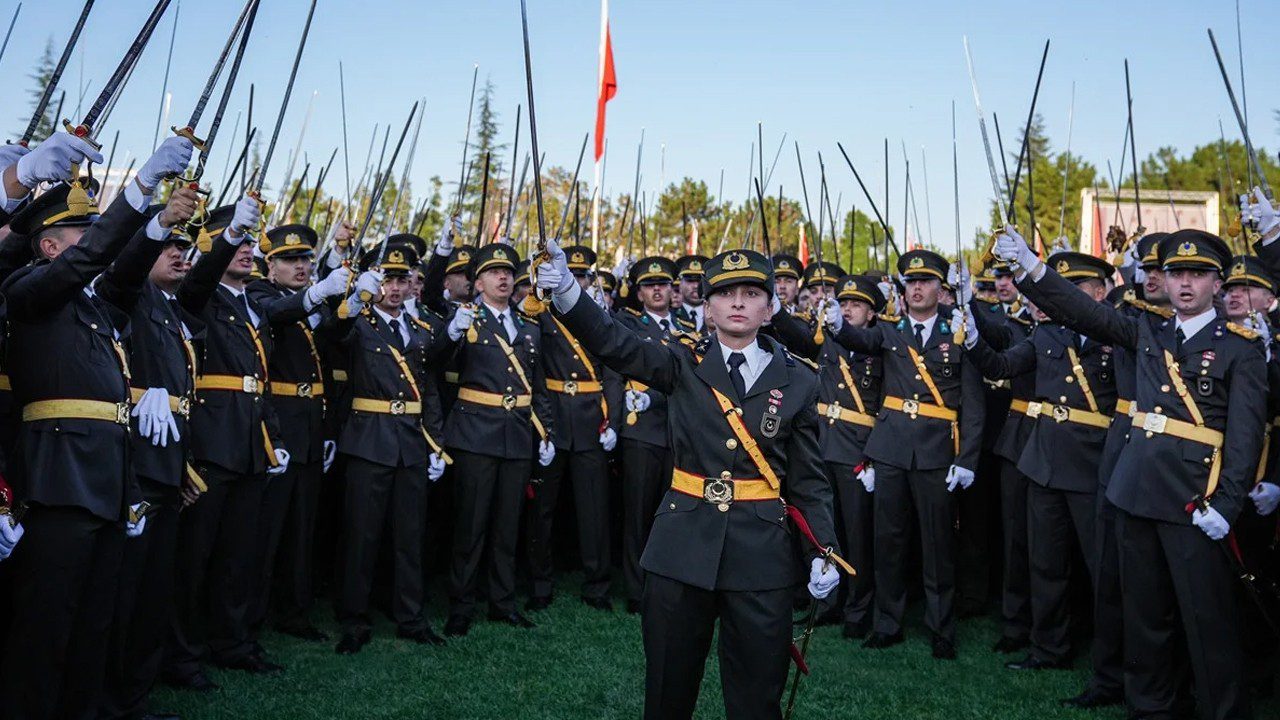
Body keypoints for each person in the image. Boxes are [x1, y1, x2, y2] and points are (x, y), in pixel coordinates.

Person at [536, 241, 843, 720]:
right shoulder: (681, 362)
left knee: (758, 697)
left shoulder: (799, 380)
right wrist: (570, 294)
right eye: (725, 294)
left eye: (751, 293)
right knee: (667, 691)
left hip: (761, 554)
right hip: (682, 547)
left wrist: (824, 549)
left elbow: (809, 480)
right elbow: (615, 343)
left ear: (769, 308)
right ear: (707, 308)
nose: (738, 302)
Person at [996, 226, 1265, 720]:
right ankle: (1150, 709)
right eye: (1176, 273)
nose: (1185, 284)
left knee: (1208, 621)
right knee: (1144, 617)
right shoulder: (1146, 329)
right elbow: (1083, 312)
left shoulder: (1240, 347)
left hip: (1194, 500)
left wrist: (1228, 504)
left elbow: (1245, 437)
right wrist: (1032, 268)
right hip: (1135, 491)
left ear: (1217, 284)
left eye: (1198, 275)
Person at [0, 133, 193, 718]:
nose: (96, 245)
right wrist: (135, 192)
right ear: (51, 246)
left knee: (93, 619)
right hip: (58, 479)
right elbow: (96, 257)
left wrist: (154, 219)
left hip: (107, 480)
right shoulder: (28, 289)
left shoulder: (93, 305)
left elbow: (125, 271)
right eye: (83, 236)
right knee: (47, 623)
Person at [963, 251, 1118, 672]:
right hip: (1044, 462)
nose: (1064, 299)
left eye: (1076, 290)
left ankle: (1111, 662)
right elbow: (1002, 365)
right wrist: (973, 339)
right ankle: (1048, 647)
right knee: (1044, 562)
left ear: (1100, 293)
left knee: (1103, 568)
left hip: (1094, 464)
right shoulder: (1047, 336)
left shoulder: (1116, 337)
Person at [827, 248, 985, 659]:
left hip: (936, 453)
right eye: (910, 282)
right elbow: (859, 337)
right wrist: (836, 325)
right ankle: (887, 623)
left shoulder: (958, 333)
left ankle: (941, 629)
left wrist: (967, 459)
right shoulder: (891, 332)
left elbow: (972, 404)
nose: (917, 288)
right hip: (891, 450)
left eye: (926, 281)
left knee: (937, 547)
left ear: (940, 288)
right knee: (888, 543)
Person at [166, 193, 290, 687]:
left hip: (249, 442)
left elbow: (261, 380)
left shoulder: (253, 303)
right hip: (212, 444)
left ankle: (232, 642)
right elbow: (197, 280)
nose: (243, 251)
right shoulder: (196, 294)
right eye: (228, 241)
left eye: (245, 242)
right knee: (196, 559)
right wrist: (228, 234)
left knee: (240, 555)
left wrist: (272, 437)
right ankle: (183, 654)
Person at [96, 186, 206, 720]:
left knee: (153, 590)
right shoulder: (127, 296)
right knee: (125, 592)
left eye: (186, 248)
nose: (180, 255)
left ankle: (137, 694)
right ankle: (114, 697)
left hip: (165, 464)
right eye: (169, 248)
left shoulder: (168, 307)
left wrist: (181, 465)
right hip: (134, 466)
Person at [333, 245, 449, 654]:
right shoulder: (358, 324)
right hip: (369, 439)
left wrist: (435, 442)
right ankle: (353, 620)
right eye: (387, 279)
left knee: (409, 536)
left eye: (402, 279)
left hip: (411, 444)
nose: (395, 288)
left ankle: (411, 618)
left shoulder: (419, 331)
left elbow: (429, 390)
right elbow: (330, 336)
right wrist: (350, 299)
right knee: (362, 536)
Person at [440, 242, 554, 636]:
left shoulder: (527, 325)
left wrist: (546, 430)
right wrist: (451, 333)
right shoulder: (466, 320)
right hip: (475, 433)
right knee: (470, 526)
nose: (504, 277)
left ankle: (502, 603)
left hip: (517, 434)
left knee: (508, 525)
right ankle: (461, 605)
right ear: (477, 282)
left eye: (508, 272)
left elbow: (537, 385)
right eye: (493, 272)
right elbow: (436, 363)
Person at [247, 224, 351, 643]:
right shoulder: (260, 294)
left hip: (309, 424)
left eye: (306, 259)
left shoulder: (311, 302)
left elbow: (332, 345)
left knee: (301, 529)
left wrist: (353, 301)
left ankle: (294, 610)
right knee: (267, 530)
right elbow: (279, 313)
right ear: (270, 266)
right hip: (278, 425)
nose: (301, 266)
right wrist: (319, 292)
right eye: (291, 260)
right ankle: (253, 615)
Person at [770, 274, 885, 640]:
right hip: (824, 445)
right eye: (844, 303)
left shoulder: (880, 347)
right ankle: (829, 603)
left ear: (871, 313)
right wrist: (775, 309)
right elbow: (800, 340)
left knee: (858, 536)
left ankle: (859, 610)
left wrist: (874, 455)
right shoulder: (829, 339)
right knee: (825, 533)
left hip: (858, 451)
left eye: (856, 305)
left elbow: (887, 406)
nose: (848, 309)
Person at [525, 244, 619, 612]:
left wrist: (611, 420)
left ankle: (597, 586)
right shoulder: (540, 314)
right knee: (542, 509)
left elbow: (611, 370)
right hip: (553, 418)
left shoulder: (594, 316)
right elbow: (532, 371)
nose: (576, 281)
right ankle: (539, 584)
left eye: (581, 276)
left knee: (595, 509)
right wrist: (543, 425)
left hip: (591, 419)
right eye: (571, 275)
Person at [612, 256, 680, 614]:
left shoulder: (685, 325)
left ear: (673, 290)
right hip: (643, 429)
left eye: (664, 284)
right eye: (650, 285)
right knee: (638, 514)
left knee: (673, 515)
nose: (658, 290)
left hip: (678, 430)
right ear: (638, 293)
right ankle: (637, 590)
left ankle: (666, 584)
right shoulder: (629, 321)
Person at [674, 254, 709, 332]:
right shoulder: (669, 315)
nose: (696, 286)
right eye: (690, 281)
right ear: (680, 284)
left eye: (700, 281)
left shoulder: (717, 316)